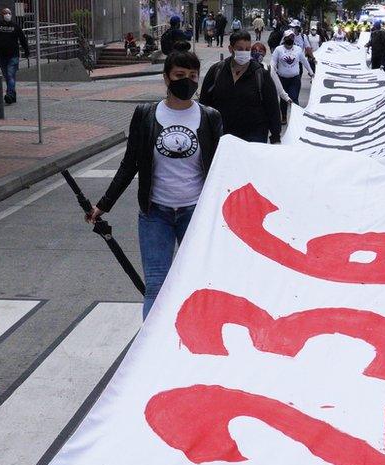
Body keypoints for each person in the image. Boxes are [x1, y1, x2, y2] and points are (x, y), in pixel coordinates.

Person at [87, 48, 223, 319]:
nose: (187, 81)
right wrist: (103, 205)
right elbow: (129, 164)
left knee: (195, 284)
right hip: (155, 214)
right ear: (166, 78)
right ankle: (150, 352)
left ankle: (190, 348)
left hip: (195, 214)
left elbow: (222, 169)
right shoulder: (146, 115)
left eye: (193, 75)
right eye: (180, 75)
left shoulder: (210, 117)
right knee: (156, 286)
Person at [200, 31, 281, 144]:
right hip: (222, 134)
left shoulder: (260, 74)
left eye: (248, 49)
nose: (244, 52)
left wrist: (275, 136)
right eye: (240, 49)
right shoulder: (217, 71)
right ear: (230, 49)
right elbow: (204, 103)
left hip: (253, 136)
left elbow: (272, 107)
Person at [0, 8, 29, 105]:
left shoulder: (15, 26)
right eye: (6, 13)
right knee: (8, 76)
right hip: (2, 56)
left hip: (13, 55)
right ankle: (13, 95)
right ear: (2, 15)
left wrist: (26, 51)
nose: (7, 15)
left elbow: (22, 39)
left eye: (9, 13)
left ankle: (9, 94)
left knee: (10, 74)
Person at [272, 29, 314, 121]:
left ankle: (296, 118)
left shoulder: (298, 50)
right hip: (282, 79)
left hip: (295, 79)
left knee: (294, 98)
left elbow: (304, 62)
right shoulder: (278, 49)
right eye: (288, 37)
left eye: (292, 37)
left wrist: (311, 73)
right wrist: (272, 69)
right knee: (283, 99)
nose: (290, 39)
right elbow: (273, 62)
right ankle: (283, 117)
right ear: (284, 38)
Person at [251, 42, 292, 123]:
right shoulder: (246, 67)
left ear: (265, 53)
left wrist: (287, 98)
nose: (258, 53)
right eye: (255, 51)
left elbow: (278, 86)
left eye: (260, 51)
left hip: (266, 104)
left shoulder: (269, 69)